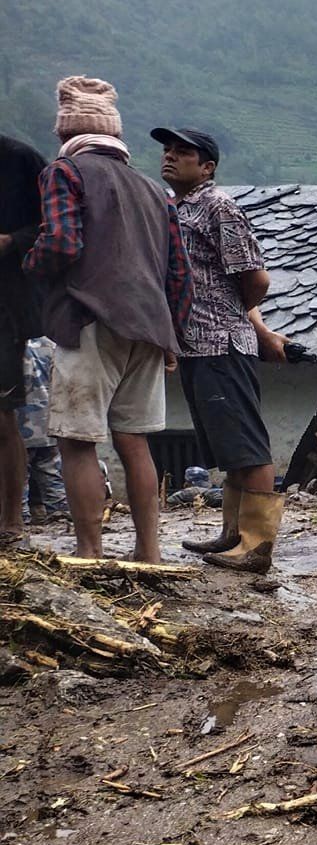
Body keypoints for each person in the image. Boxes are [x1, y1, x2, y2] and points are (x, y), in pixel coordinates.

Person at [21, 76, 190, 563]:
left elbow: (60, 244)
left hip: (90, 318)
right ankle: (149, 553)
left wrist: (26, 264)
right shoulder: (155, 191)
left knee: (75, 440)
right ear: (116, 135)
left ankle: (89, 552)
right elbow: (178, 273)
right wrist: (171, 338)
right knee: (133, 440)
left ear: (66, 132)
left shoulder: (65, 172)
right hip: (151, 325)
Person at [154, 126, 283, 573]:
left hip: (220, 343)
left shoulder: (217, 206)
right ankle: (231, 536)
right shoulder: (178, 208)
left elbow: (256, 276)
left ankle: (257, 548)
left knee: (248, 448)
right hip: (196, 346)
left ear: (207, 166)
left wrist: (231, 312)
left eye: (183, 152)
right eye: (167, 150)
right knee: (230, 450)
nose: (170, 157)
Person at [0, 132, 47, 545]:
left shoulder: (21, 159)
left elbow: (58, 224)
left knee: (1, 413)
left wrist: (11, 241)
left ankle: (11, 521)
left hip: (6, 308)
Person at [18, 337, 65, 523]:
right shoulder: (51, 345)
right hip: (48, 424)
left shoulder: (10, 343)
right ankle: (61, 517)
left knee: (17, 477)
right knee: (53, 475)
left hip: (17, 430)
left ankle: (20, 519)